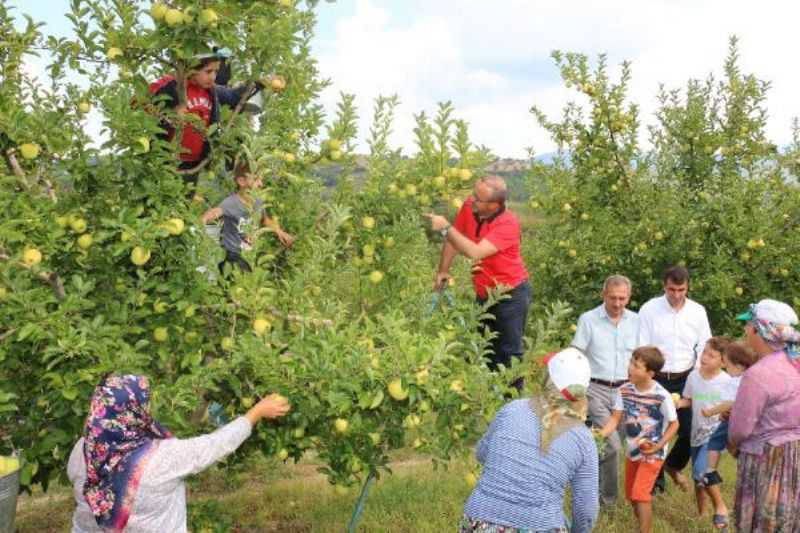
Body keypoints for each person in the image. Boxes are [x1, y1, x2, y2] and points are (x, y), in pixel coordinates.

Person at [67, 374, 290, 532]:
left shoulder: (83, 448)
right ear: (135, 411)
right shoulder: (161, 458)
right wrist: (256, 412)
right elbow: (216, 444)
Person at [460, 347, 599, 532]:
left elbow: (482, 453)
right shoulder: (583, 439)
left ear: (547, 378)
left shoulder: (512, 409)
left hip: (477, 521)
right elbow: (586, 511)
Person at [426, 175, 530, 386]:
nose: (472, 200)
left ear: (494, 205)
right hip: (484, 294)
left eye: (478, 198)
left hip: (510, 295)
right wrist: (443, 271)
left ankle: (513, 409)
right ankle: (487, 401)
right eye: (473, 194)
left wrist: (445, 226)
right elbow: (455, 239)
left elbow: (475, 252)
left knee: (509, 356)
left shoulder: (508, 223)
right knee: (484, 349)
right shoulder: (470, 207)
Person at [638, 265, 711, 493]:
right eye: (672, 289)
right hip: (657, 377)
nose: (676, 295)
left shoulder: (697, 311)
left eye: (681, 290)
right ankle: (655, 484)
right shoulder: (649, 309)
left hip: (687, 377)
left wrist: (698, 373)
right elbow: (642, 345)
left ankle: (673, 465)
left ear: (687, 287)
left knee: (691, 429)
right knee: (654, 431)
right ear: (664, 286)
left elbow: (704, 343)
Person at [729, 299, 800, 533]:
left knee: (763, 517)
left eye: (748, 325)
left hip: (766, 457)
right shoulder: (795, 363)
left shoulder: (758, 374)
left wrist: (732, 443)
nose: (745, 330)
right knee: (788, 514)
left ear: (758, 330)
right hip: (794, 453)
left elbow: (740, 429)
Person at [148, 51, 262, 195]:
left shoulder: (212, 91)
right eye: (208, 71)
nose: (213, 76)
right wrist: (169, 115)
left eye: (216, 71)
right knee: (159, 201)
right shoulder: (172, 85)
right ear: (191, 69)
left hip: (193, 164)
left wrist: (260, 84)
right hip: (164, 160)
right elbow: (141, 102)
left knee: (182, 206)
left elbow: (234, 97)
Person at [571, 274, 639, 506]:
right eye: (613, 298)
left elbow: (643, 356)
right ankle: (606, 502)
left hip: (625, 391)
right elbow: (576, 354)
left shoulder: (637, 321)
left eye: (622, 298)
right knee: (611, 446)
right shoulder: (588, 320)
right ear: (603, 295)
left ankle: (585, 484)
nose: (617, 303)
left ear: (629, 298)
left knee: (604, 447)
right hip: (596, 389)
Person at [597, 346, 679, 533]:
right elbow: (615, 419)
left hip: (653, 452)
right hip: (633, 450)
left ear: (650, 373)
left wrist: (658, 446)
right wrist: (599, 435)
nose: (630, 368)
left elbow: (675, 425)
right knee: (632, 496)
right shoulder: (624, 390)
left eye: (636, 366)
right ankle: (643, 524)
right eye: (631, 363)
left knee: (640, 494)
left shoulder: (661, 396)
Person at [674, 336, 732, 530]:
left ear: (723, 362)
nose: (705, 357)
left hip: (715, 435)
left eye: (711, 355)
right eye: (704, 352)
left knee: (702, 472)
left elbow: (733, 406)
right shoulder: (693, 376)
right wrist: (676, 403)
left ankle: (721, 507)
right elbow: (688, 400)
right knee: (697, 479)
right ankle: (702, 514)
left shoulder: (727, 381)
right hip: (696, 434)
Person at [201, 161, 294, 274]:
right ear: (241, 181)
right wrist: (203, 221)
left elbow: (265, 219)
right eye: (256, 179)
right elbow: (214, 213)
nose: (261, 184)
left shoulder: (258, 201)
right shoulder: (231, 203)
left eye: (261, 179)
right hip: (232, 256)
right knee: (240, 284)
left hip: (248, 253)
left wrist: (279, 232)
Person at [699, 342, 757, 486]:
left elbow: (730, 403)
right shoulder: (751, 378)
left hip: (734, 420)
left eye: (727, 365)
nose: (725, 368)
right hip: (748, 420)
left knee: (714, 442)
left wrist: (710, 412)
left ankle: (710, 472)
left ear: (738, 366)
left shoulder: (736, 381)